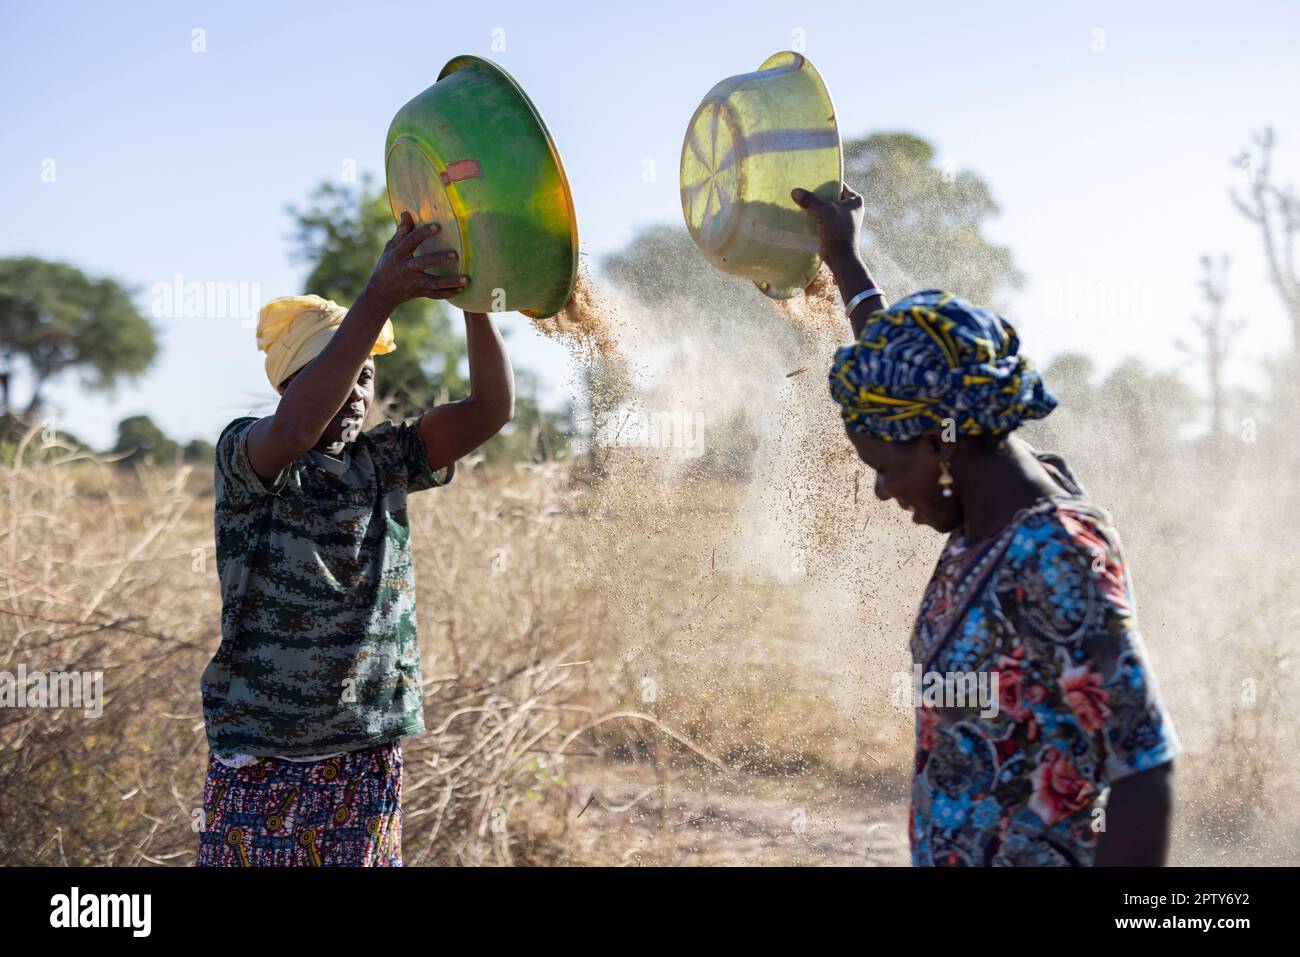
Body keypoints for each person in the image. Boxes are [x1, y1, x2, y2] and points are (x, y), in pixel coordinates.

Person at [791, 185, 1180, 866]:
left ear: (941, 445)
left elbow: (1145, 769)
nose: (882, 492)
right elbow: (911, 374)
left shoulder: (1053, 553)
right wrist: (844, 258)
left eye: (885, 467)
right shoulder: (983, 503)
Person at [197, 211, 514, 866]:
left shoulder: (386, 460)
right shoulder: (251, 459)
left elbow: (490, 410)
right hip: (262, 759)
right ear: (289, 385)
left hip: (362, 756)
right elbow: (292, 431)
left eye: (367, 376)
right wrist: (378, 296)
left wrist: (473, 302)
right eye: (339, 374)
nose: (357, 391)